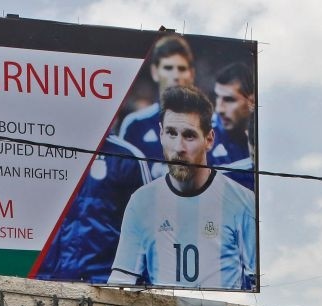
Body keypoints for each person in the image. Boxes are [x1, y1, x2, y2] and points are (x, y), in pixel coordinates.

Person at [107, 86, 256, 290]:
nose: (179, 148)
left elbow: (259, 284)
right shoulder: (141, 202)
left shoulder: (243, 202)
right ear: (161, 134)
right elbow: (121, 282)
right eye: (171, 133)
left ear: (209, 139)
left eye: (189, 136)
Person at [33, 134, 151, 283]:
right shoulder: (36, 149)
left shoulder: (127, 157)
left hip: (102, 285)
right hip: (45, 281)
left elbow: (149, 232)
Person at [118, 34, 196, 178]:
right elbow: (122, 180)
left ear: (191, 74)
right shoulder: (134, 124)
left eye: (181, 68)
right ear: (155, 72)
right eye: (168, 68)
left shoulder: (210, 124)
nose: (175, 75)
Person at [209, 62, 255, 180]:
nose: (219, 109)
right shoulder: (205, 138)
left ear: (252, 102)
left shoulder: (267, 137)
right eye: (217, 97)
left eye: (229, 100)